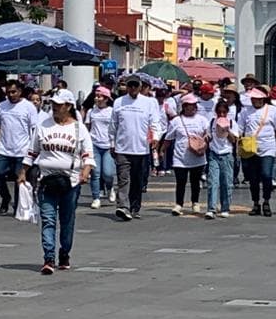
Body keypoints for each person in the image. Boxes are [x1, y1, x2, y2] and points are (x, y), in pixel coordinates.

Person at [20, 89, 94, 275]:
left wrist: (85, 172)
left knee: (67, 220)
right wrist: (23, 172)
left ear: (68, 106)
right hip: (46, 179)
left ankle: (65, 251)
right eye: (53, 104)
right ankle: (49, 258)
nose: (54, 107)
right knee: (48, 219)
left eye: (59, 104)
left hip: (71, 181)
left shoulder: (79, 128)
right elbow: (32, 151)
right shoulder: (43, 125)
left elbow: (88, 155)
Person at [111, 76, 159, 220]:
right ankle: (123, 206)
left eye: (135, 86)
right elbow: (113, 125)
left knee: (137, 180)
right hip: (122, 147)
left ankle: (134, 207)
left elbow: (154, 122)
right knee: (123, 179)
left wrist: (155, 137)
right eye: (130, 85)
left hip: (141, 148)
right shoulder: (119, 102)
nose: (132, 88)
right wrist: (112, 144)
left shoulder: (149, 103)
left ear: (140, 87)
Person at [0, 80, 39, 216]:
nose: (11, 95)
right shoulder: (1, 106)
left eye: (13, 92)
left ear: (20, 92)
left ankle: (18, 206)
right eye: (8, 93)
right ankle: (5, 197)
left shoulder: (28, 107)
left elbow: (34, 128)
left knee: (20, 177)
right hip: (4, 149)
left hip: (22, 149)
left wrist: (33, 149)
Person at [239, 86, 276, 217]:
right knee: (253, 178)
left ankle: (266, 200)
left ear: (264, 99)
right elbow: (240, 128)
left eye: (258, 99)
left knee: (266, 175)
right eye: (253, 99)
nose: (255, 101)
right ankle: (255, 203)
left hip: (268, 147)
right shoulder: (245, 111)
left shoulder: (272, 111)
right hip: (250, 148)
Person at [162, 93, 210, 215]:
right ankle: (179, 204)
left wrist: (207, 138)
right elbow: (169, 138)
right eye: (190, 105)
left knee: (195, 181)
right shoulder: (176, 121)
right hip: (180, 157)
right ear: (184, 106)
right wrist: (162, 151)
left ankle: (195, 202)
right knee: (181, 181)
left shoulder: (202, 120)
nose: (193, 107)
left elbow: (208, 134)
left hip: (198, 156)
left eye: (195, 105)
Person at [206, 98, 237, 219]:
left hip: (227, 155)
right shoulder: (212, 122)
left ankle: (225, 207)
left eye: (224, 112)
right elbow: (209, 137)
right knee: (213, 182)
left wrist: (227, 130)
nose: (222, 114)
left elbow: (234, 140)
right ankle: (211, 209)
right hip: (214, 154)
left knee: (226, 182)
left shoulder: (232, 123)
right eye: (219, 112)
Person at [85, 86, 115, 208]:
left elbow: (116, 127)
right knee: (95, 173)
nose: (97, 99)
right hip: (94, 144)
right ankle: (96, 197)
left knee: (108, 173)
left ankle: (110, 187)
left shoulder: (112, 111)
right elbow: (87, 127)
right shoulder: (91, 112)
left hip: (108, 145)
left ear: (106, 98)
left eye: (100, 96)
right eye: (96, 96)